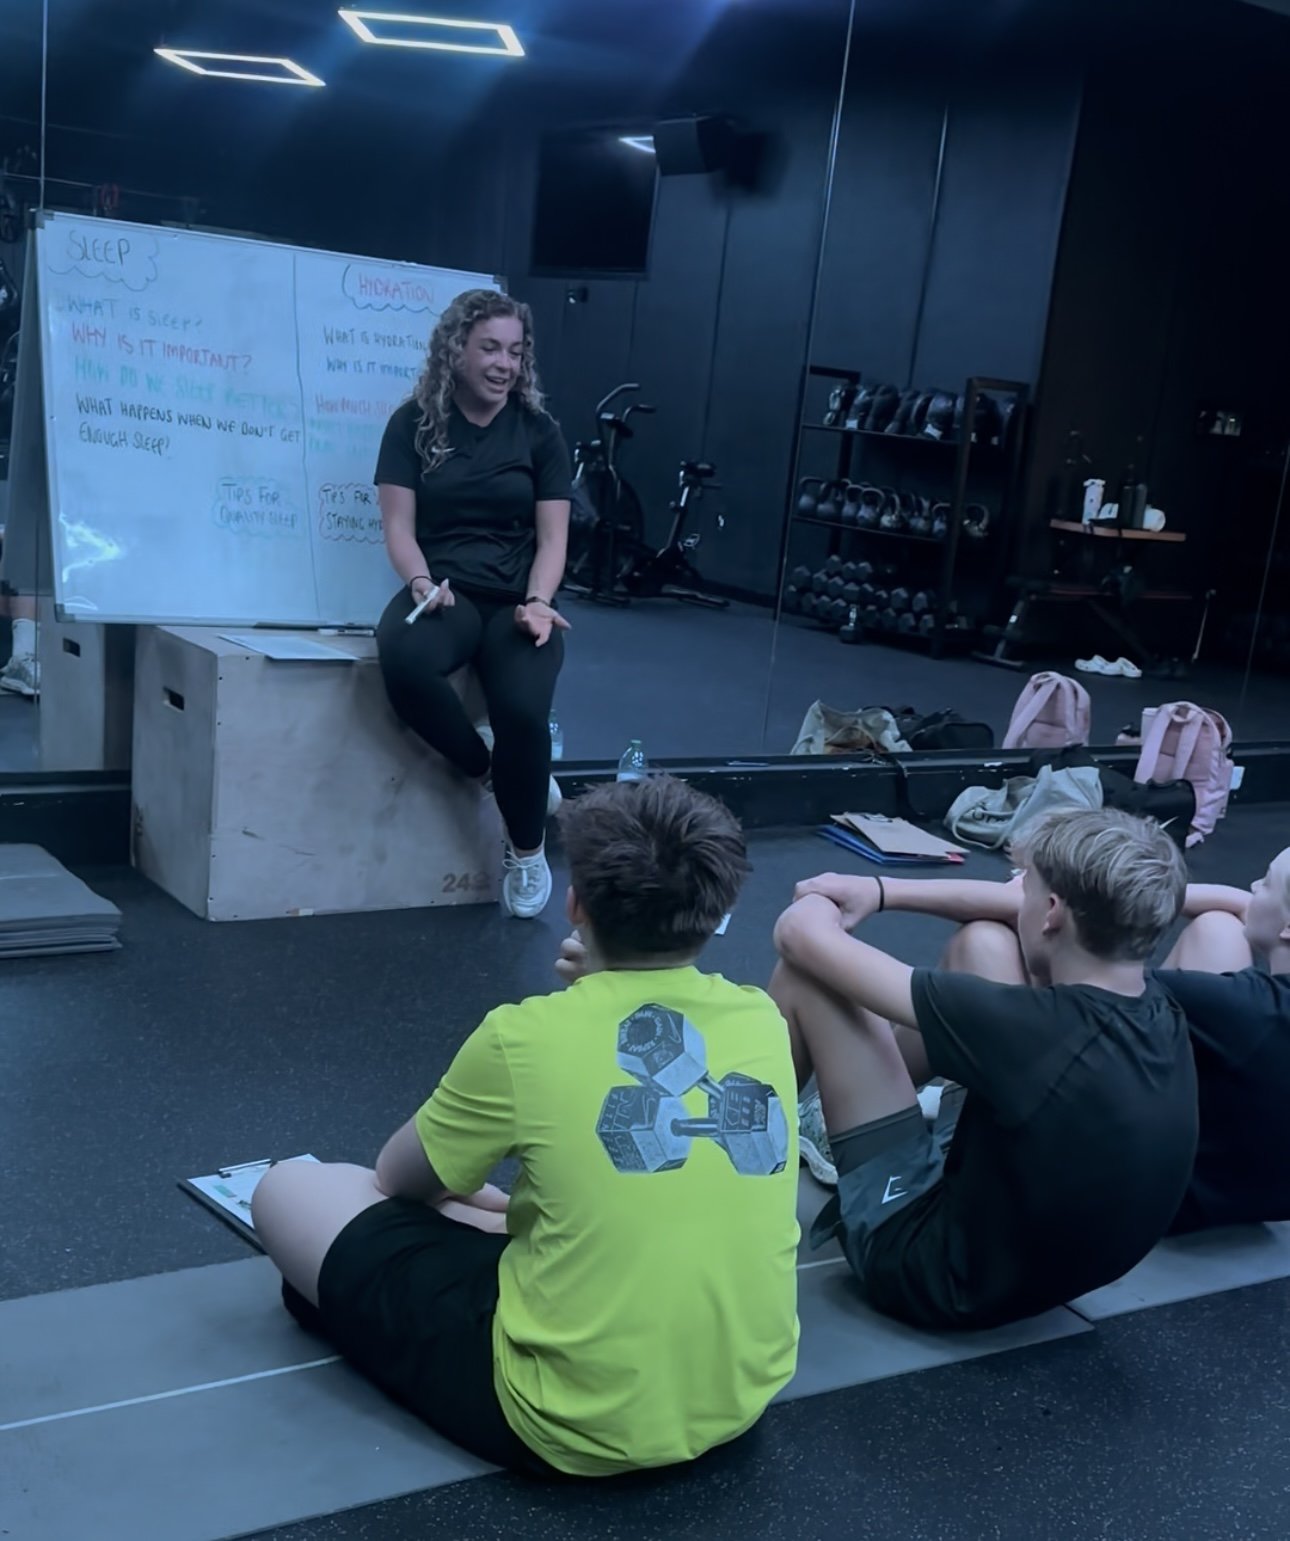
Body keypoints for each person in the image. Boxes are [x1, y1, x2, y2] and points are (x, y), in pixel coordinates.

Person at [252, 775, 800, 1478]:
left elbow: (396, 1178)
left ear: (576, 906)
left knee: (292, 1185)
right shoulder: (760, 1017)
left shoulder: (523, 1036)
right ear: (716, 908)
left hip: (566, 1423)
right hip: (738, 1398)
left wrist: (458, 1197)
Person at [771, 808, 1197, 1330]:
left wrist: (820, 895)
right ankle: (841, 1113)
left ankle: (737, 1174)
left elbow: (802, 937)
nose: (1013, 896)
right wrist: (878, 889)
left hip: (932, 1275)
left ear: (1052, 912)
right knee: (985, 942)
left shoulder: (1027, 1028)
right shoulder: (1159, 1005)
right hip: (1052, 1270)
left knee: (809, 979)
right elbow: (1008, 920)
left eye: (1025, 889)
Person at [822, 845, 1290, 1235]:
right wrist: (1131, 888)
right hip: (1241, 1191)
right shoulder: (1243, 1002)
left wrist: (882, 890)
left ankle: (862, 1105)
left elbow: (809, 943)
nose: (1251, 889)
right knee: (1219, 926)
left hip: (1151, 1200)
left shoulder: (1232, 1006)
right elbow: (1238, 907)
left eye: (1265, 882)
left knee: (983, 943)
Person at [374, 288, 572, 920]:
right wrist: (420, 582)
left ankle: (526, 848)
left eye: (515, 352)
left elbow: (552, 538)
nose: (503, 364)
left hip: (518, 600)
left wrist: (539, 601)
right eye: (490, 347)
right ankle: (489, 769)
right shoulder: (413, 424)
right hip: (447, 594)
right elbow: (399, 527)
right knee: (403, 659)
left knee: (521, 708)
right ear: (455, 350)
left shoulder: (539, 433)